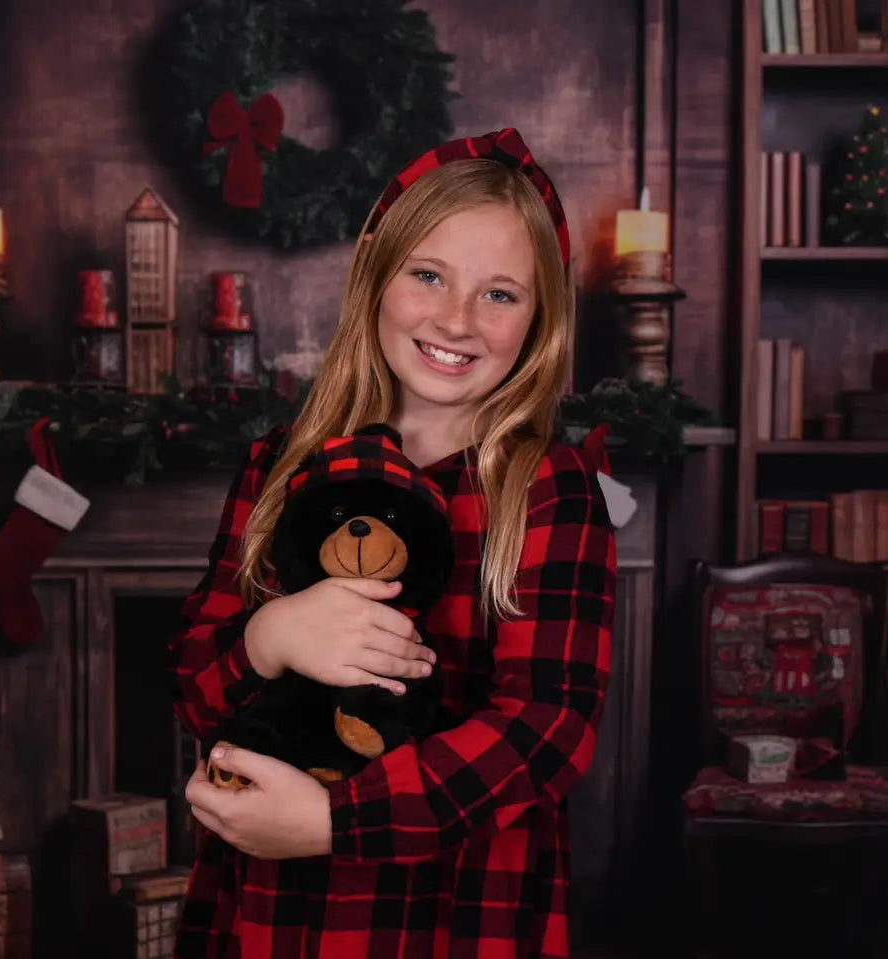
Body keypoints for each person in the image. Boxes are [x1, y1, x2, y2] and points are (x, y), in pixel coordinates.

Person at [169, 128, 616, 958]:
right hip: (276, 914)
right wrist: (268, 637)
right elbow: (197, 685)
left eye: (500, 294)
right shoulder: (282, 464)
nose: (456, 319)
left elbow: (544, 730)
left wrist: (334, 821)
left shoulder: (547, 489)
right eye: (429, 275)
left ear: (542, 316)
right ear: (378, 276)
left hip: (458, 912)